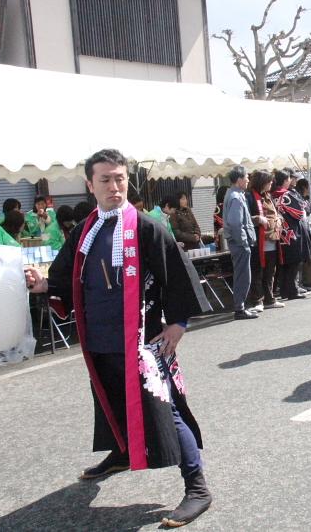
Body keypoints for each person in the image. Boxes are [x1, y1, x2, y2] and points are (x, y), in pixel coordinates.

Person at [24, 148, 212, 528]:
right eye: (106, 180)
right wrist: (44, 284)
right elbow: (63, 274)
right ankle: (122, 451)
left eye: (120, 178)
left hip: (142, 340)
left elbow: (178, 273)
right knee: (110, 398)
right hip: (99, 338)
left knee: (165, 410)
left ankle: (197, 486)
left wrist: (178, 323)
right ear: (90, 185)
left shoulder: (145, 226)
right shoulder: (85, 229)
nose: (115, 187)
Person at [223, 165, 258, 320]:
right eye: (246, 177)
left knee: (242, 275)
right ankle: (240, 308)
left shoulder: (233, 194)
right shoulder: (236, 197)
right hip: (239, 243)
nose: (248, 179)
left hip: (237, 242)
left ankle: (241, 307)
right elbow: (236, 223)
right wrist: (244, 242)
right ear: (239, 180)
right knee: (243, 276)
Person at [246, 170, 284, 311]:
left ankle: (269, 299)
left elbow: (275, 212)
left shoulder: (268, 195)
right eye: (269, 181)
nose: (271, 183)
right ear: (262, 182)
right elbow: (245, 217)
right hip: (258, 241)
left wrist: (278, 219)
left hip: (272, 239)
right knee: (257, 272)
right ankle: (257, 301)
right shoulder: (249, 197)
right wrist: (257, 218)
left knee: (270, 272)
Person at [272, 169, 311, 300]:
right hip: (291, 232)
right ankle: (293, 291)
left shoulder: (272, 195)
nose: (290, 181)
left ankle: (284, 291)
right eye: (289, 179)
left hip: (279, 233)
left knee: (283, 265)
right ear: (284, 180)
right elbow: (299, 213)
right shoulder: (286, 195)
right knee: (294, 262)